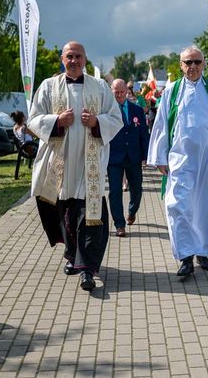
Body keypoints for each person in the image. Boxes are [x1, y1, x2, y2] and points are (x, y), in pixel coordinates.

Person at [28, 41, 123, 291]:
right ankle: (72, 255)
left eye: (78, 56)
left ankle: (87, 269)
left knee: (90, 217)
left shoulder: (99, 87)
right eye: (69, 56)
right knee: (65, 214)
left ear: (85, 59)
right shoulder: (48, 86)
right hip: (60, 164)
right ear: (63, 59)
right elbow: (33, 119)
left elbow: (116, 118)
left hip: (89, 166)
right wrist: (57, 121)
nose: (74, 61)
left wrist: (97, 122)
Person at [147, 45, 208, 278]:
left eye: (197, 62)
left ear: (204, 64)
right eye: (188, 62)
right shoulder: (172, 91)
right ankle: (185, 256)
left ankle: (203, 251)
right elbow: (161, 125)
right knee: (178, 205)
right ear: (181, 65)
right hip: (180, 158)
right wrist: (160, 156)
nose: (193, 66)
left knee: (205, 207)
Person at [108, 78, 150, 238]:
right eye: (116, 92)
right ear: (111, 92)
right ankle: (119, 224)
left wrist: (146, 155)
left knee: (137, 190)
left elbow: (144, 134)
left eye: (121, 92)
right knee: (115, 192)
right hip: (114, 157)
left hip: (133, 156)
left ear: (126, 91)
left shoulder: (137, 110)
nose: (119, 95)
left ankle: (132, 211)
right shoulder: (107, 111)